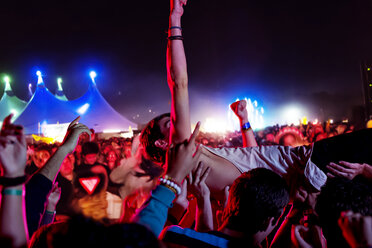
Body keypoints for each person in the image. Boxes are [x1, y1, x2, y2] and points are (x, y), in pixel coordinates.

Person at [134, 123, 290, 247]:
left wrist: (180, 199)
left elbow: (142, 237)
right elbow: (207, 237)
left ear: (230, 206)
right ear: (271, 221)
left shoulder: (174, 237)